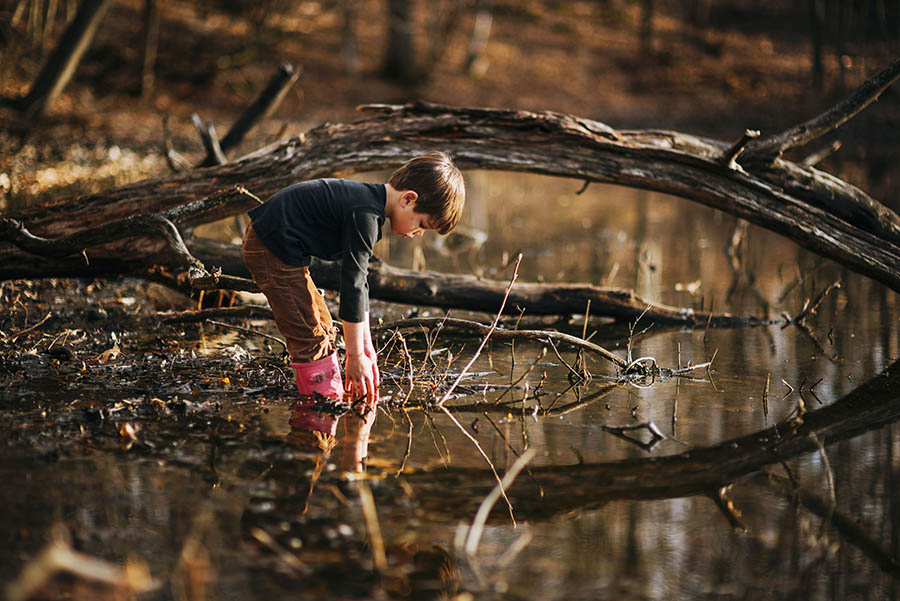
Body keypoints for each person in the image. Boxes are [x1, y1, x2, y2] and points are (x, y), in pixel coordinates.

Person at [240, 151, 466, 440]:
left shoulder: (368, 206)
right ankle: (313, 433)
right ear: (408, 199)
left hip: (281, 249)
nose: (418, 233)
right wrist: (354, 355)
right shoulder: (365, 214)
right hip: (271, 249)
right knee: (312, 341)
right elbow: (352, 283)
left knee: (325, 329)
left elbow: (362, 284)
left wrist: (365, 348)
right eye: (422, 224)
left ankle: (324, 424)